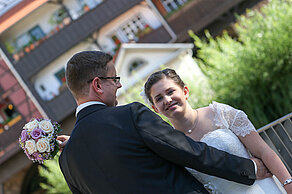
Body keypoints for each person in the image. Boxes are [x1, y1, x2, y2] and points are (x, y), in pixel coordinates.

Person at [58, 51, 271, 194]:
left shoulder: (67, 161)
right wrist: (248, 168)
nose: (119, 85)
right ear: (97, 84)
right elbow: (189, 151)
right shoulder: (129, 115)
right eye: (114, 79)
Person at [143, 68, 292, 193]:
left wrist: (288, 183)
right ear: (155, 108)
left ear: (185, 91)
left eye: (170, 91)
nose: (167, 100)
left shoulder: (219, 113)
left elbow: (264, 151)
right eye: (159, 98)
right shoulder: (169, 144)